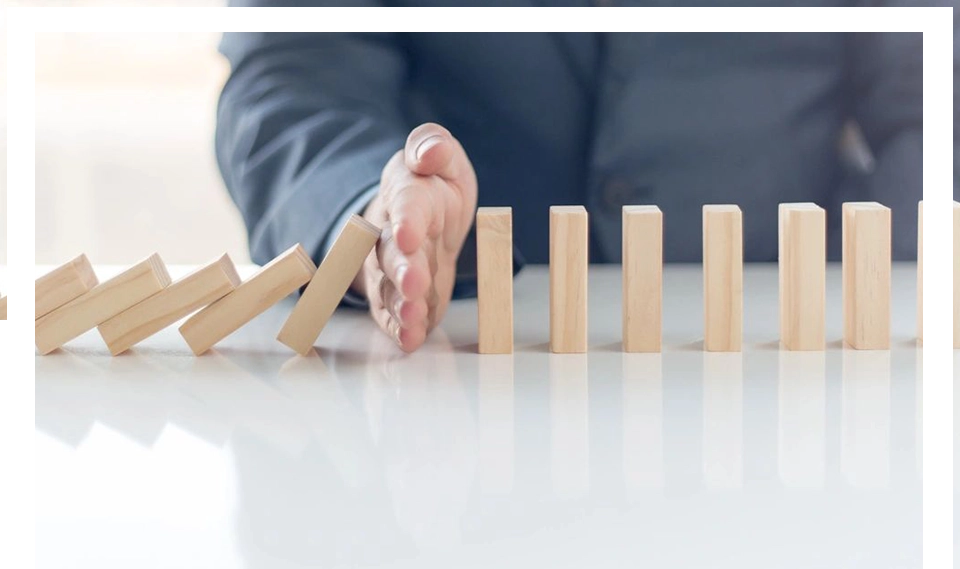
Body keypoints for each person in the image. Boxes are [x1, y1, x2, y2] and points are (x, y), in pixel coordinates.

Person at [216, 5, 958, 353]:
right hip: (454, 383)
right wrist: (373, 212)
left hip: (796, 391)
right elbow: (293, 77)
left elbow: (934, 96)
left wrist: (865, 296)